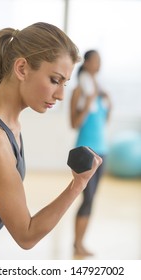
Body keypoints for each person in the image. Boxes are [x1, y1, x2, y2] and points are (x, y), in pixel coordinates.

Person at [0, 23, 102, 260]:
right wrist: (78, 184)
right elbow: (26, 235)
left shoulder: (8, 125)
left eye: (64, 83)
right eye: (55, 80)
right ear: (22, 68)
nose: (60, 95)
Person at [70, 50, 111, 258]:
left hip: (102, 150)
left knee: (91, 199)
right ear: (86, 63)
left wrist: (108, 103)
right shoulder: (79, 91)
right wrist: (87, 104)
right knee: (86, 198)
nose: (99, 64)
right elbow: (74, 123)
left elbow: (104, 122)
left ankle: (80, 243)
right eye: (96, 60)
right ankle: (77, 244)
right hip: (85, 151)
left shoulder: (101, 91)